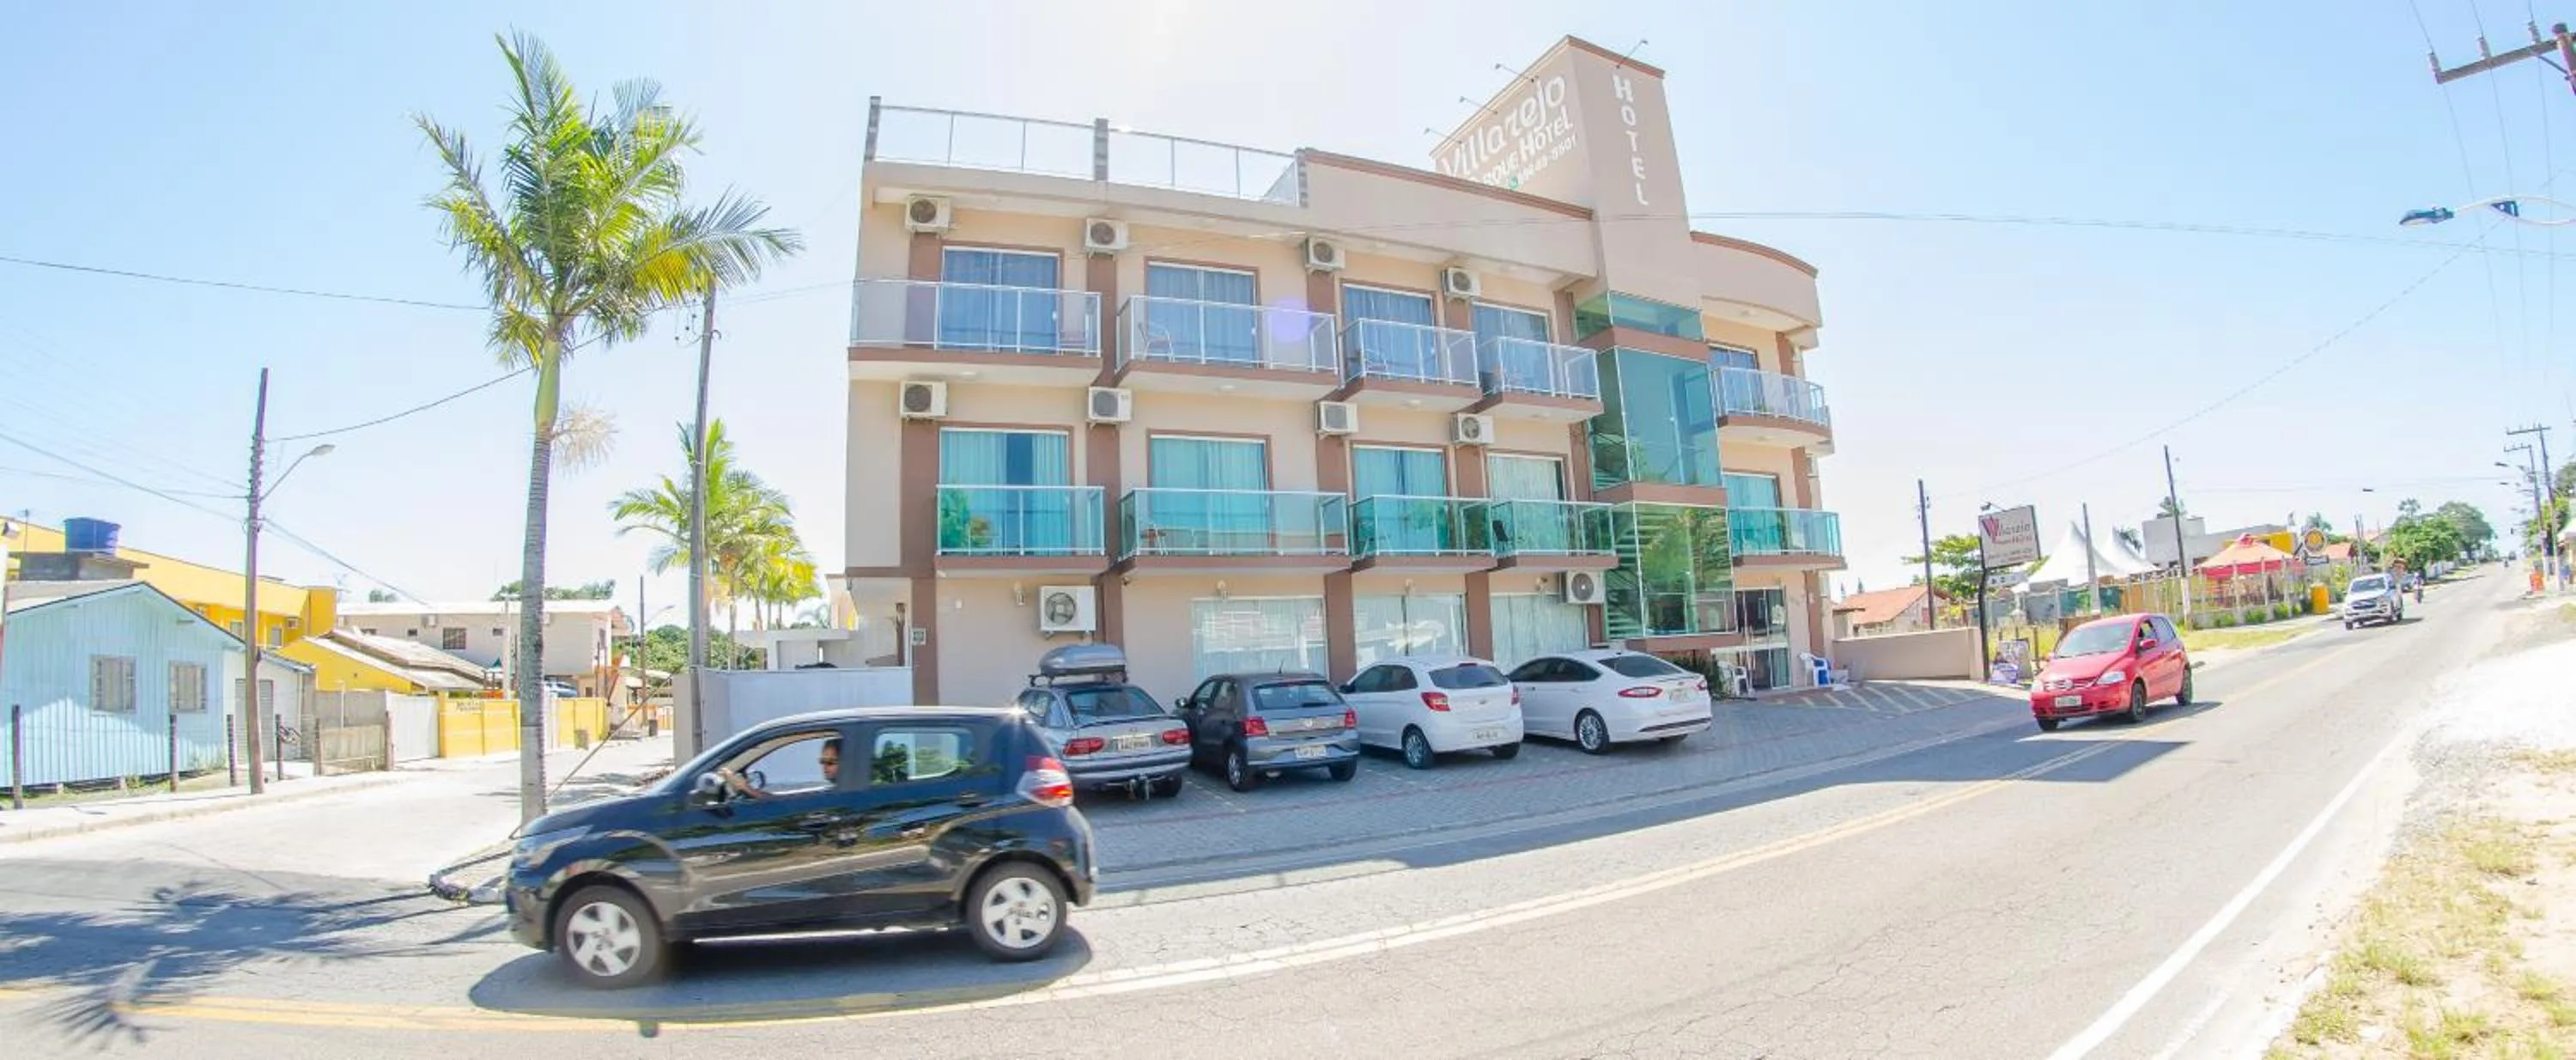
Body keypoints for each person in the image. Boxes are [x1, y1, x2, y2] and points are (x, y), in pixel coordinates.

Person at [716, 736, 840, 800]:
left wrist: (744, 788)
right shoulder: (839, 789)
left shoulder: (841, 795)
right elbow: (786, 801)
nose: (824, 767)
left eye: (830, 762)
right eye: (822, 761)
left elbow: (786, 806)